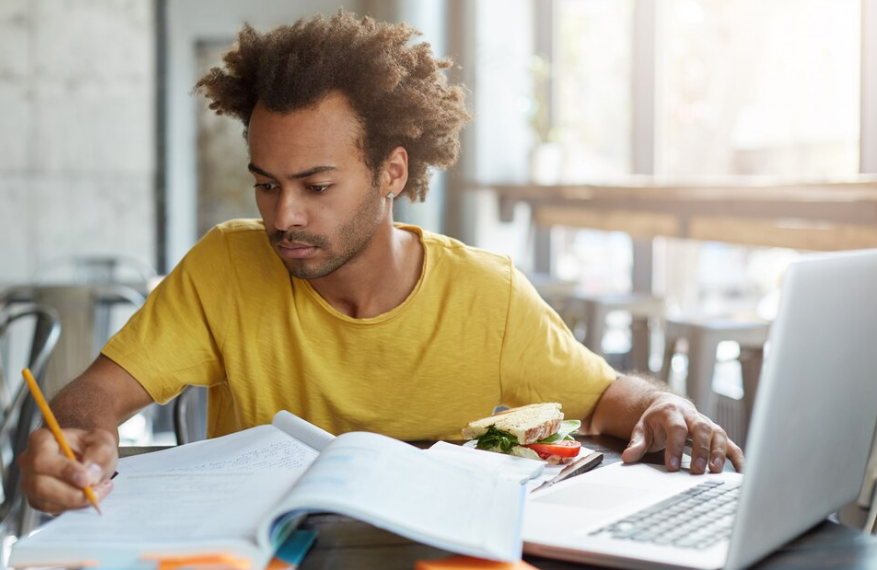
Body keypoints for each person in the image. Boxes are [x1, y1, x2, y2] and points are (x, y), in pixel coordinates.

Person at [20, 10, 743, 515]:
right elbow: (92, 399)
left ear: (392, 172)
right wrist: (77, 435)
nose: (284, 216)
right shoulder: (224, 267)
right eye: (266, 183)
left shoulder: (485, 296)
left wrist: (666, 406)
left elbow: (612, 399)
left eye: (317, 186)